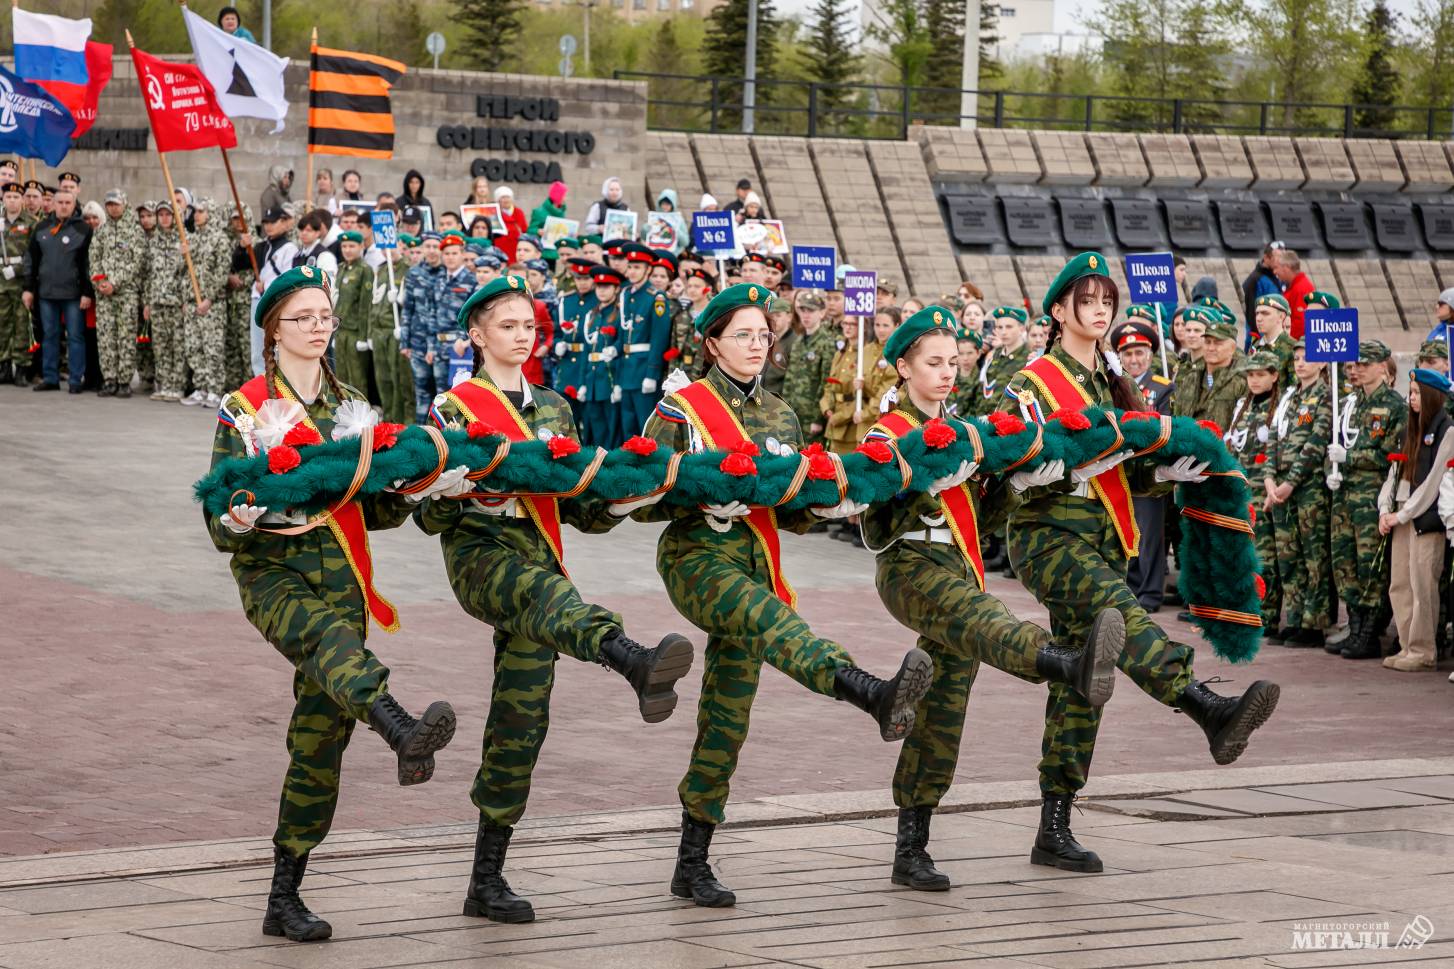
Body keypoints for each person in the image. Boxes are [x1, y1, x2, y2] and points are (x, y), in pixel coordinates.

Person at [636, 283, 935, 908]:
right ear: (712, 342)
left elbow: (793, 507)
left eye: (763, 334)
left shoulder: (780, 414)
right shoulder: (678, 411)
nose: (756, 344)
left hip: (757, 558)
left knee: (728, 712)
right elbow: (641, 499)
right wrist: (696, 495)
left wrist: (837, 501)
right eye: (742, 334)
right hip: (699, 559)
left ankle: (693, 861)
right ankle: (868, 691)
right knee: (777, 626)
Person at [414, 274, 694, 923]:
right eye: (507, 325)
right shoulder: (453, 409)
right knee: (552, 599)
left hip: (541, 556)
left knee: (523, 714)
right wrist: (456, 489)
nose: (521, 336)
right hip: (483, 558)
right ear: (477, 334)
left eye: (528, 327)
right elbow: (426, 515)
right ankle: (632, 659)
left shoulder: (555, 408)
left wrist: (627, 496)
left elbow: (580, 507)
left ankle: (486, 877)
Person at [1001, 252, 1279, 872]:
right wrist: (1060, 463)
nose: (1099, 312)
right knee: (1120, 616)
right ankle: (1205, 706)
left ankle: (1055, 822)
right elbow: (1016, 465)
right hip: (1048, 536)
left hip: (1101, 540)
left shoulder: (1111, 382)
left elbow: (1127, 475)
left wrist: (1167, 471)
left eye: (1106, 302)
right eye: (1088, 301)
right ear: (1058, 311)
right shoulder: (1033, 381)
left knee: (1084, 678)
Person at [209, 266, 461, 943]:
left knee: (322, 730)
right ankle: (403, 728)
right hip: (274, 572)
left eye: (325, 316)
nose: (319, 327)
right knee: (333, 647)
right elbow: (218, 506)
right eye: (303, 317)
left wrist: (417, 487)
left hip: (342, 570)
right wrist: (238, 516)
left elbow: (371, 506)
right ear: (273, 329)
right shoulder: (246, 405)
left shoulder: (351, 403)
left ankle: (283, 893)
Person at [862, 306, 1123, 891]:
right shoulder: (885, 435)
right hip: (911, 569)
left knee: (943, 706)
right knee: (985, 618)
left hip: (959, 569)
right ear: (903, 367)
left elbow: (979, 519)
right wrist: (920, 487)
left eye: (954, 362)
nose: (947, 373)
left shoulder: (965, 431)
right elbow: (873, 529)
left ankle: (912, 847)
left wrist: (1016, 485)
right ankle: (1066, 662)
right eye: (933, 363)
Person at [1328, 341, 1405, 660]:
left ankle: (1370, 633)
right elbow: (1336, 442)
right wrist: (1331, 468)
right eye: (1353, 365)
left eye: (1363, 364)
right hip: (1346, 495)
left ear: (1380, 367)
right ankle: (1355, 625)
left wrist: (1351, 457)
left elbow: (1392, 455)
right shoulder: (1349, 402)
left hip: (1372, 496)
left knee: (1369, 565)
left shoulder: (1393, 405)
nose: (1356, 369)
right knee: (1344, 562)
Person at [1378, 369, 1454, 671]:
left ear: (1433, 396)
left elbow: (1434, 481)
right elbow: (1395, 474)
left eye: (1417, 393)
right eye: (1409, 393)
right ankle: (1407, 644)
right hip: (1400, 516)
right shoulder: (1409, 430)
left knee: (1423, 585)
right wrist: (1384, 508)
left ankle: (1423, 650)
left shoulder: (1447, 429)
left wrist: (1403, 513)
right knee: (1400, 583)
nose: (1411, 399)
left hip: (1425, 519)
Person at [1264, 340, 1333, 647]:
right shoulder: (1290, 397)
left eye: (1308, 358)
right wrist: (1269, 478)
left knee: (1313, 556)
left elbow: (1315, 444)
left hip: (1307, 487)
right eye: (1297, 358)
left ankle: (1314, 622)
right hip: (1280, 487)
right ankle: (1294, 618)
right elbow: (1273, 437)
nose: (1301, 363)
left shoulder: (1325, 396)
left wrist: (1290, 482)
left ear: (1321, 364)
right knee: (1288, 556)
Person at [1111, 318, 1174, 611]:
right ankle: (1132, 586)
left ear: (1149, 356)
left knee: (1149, 535)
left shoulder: (1162, 389)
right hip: (1120, 471)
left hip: (1149, 473)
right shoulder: (1113, 387)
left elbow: (1162, 430)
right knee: (1127, 531)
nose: (1133, 360)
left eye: (1139, 354)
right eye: (1127, 354)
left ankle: (1150, 592)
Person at [24, 188, 92, 393]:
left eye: (67, 203)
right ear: (53, 204)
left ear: (74, 205)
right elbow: (31, 260)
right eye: (60, 202)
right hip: (46, 294)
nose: (63, 206)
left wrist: (87, 292)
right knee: (50, 335)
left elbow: (89, 264)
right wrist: (28, 289)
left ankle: (75, 380)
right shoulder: (41, 227)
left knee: (75, 336)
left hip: (73, 294)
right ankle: (51, 378)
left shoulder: (84, 229)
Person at [90, 189, 145, 398]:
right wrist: (100, 282)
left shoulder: (134, 231)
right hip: (104, 294)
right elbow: (94, 259)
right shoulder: (101, 231)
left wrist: (115, 282)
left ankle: (124, 381)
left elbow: (136, 263)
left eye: (116, 204)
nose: (113, 207)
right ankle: (109, 379)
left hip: (126, 294)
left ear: (125, 204)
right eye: (109, 204)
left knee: (125, 338)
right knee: (106, 338)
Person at [1172, 312, 1246, 434]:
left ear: (1232, 348)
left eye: (1218, 343)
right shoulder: (1191, 378)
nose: (1211, 348)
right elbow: (1177, 417)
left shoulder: (1241, 381)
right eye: (1207, 342)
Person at [576, 265, 624, 447]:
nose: (602, 291)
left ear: (616, 289)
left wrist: (618, 383)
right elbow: (585, 353)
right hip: (592, 379)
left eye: (607, 287)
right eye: (599, 287)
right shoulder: (592, 315)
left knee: (611, 427)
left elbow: (622, 344)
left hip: (609, 378)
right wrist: (581, 383)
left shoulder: (619, 313)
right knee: (593, 426)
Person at [782, 290, 835, 445]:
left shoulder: (827, 342)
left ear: (821, 313)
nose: (806, 315)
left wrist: (817, 419)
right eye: (803, 310)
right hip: (795, 412)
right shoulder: (798, 342)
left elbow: (826, 382)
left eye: (811, 311)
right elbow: (789, 379)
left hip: (811, 415)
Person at [146, 202, 187, 402]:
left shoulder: (184, 241)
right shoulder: (153, 241)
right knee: (160, 345)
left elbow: (187, 274)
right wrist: (147, 302)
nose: (164, 218)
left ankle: (176, 384)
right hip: (156, 301)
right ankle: (163, 383)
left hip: (175, 301)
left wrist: (185, 299)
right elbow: (148, 274)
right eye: (160, 214)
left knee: (177, 344)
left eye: (168, 214)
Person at [0, 181, 33, 387]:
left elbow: (33, 255)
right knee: (2, 323)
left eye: (16, 197)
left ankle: (21, 367)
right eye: (8, 197)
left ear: (22, 200)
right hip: (1, 279)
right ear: (3, 198)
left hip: (20, 280)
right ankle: (4, 365)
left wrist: (18, 270)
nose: (12, 200)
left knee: (21, 324)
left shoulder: (30, 222)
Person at [333, 230, 373, 393]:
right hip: (341, 330)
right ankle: (344, 411)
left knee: (357, 378)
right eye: (344, 246)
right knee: (341, 376)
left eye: (352, 246)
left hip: (356, 331)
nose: (347, 250)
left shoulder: (365, 269)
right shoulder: (342, 267)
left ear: (361, 246)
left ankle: (360, 413)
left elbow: (366, 306)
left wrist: (364, 336)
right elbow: (337, 301)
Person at [980, 306, 1032, 412]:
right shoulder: (995, 354)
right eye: (999, 327)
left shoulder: (1029, 357)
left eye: (1009, 327)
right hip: (987, 418)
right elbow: (983, 389)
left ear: (1021, 329)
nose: (1003, 332)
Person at [1241, 242, 1285, 337]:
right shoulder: (1255, 280)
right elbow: (1252, 313)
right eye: (1278, 257)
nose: (1281, 261)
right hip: (1260, 337)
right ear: (1266, 258)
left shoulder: (1279, 277)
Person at [1272, 249, 1314, 339]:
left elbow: (1301, 323)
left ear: (1286, 267)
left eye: (1276, 268)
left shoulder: (1301, 289)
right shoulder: (1295, 287)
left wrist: (1282, 340)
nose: (1274, 272)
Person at [492, 186, 527, 262]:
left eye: (508, 197)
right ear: (498, 200)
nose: (506, 200)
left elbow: (525, 230)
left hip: (516, 248)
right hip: (500, 248)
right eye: (503, 197)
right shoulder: (495, 213)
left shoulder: (519, 212)